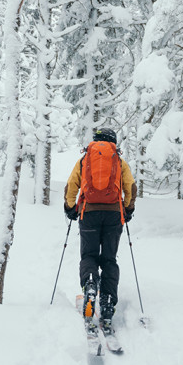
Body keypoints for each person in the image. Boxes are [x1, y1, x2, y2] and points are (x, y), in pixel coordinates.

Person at [63, 127, 137, 335]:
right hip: (114, 214)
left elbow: (71, 185)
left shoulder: (85, 159)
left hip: (90, 214)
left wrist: (70, 208)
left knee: (89, 255)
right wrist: (128, 209)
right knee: (109, 259)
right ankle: (107, 300)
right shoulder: (119, 161)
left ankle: (89, 284)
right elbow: (130, 187)